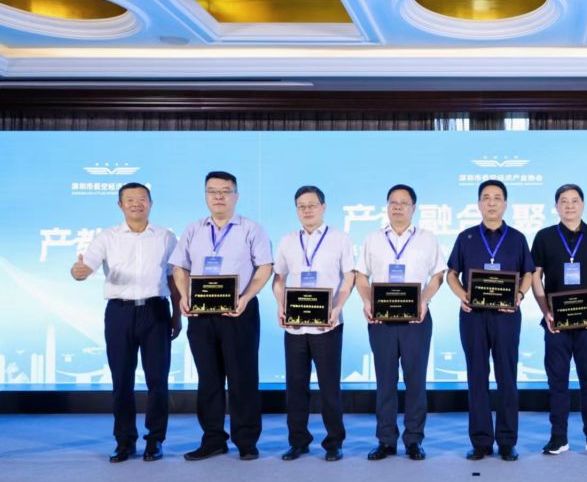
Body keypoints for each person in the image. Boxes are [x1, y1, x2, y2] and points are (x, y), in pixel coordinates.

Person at [70, 182, 180, 462]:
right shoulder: (107, 237)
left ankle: (155, 440)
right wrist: (78, 271)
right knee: (121, 380)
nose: (136, 204)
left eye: (142, 198)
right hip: (120, 313)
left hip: (156, 310)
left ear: (151, 203)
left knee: (158, 380)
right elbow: (84, 267)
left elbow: (173, 277)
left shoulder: (166, 237)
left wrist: (177, 314)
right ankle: (124, 441)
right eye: (129, 199)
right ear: (120, 205)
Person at [170, 171, 273, 461]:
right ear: (205, 195)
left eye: (225, 191)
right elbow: (180, 267)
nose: (218, 196)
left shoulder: (252, 229)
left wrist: (246, 297)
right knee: (208, 379)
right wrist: (184, 295)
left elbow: (265, 267)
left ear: (236, 196)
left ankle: (246, 440)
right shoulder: (193, 229)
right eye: (212, 190)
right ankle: (213, 438)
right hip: (201, 314)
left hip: (239, 311)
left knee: (243, 377)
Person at [355, 184, 447, 461]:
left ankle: (414, 439)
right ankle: (385, 440)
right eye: (393, 202)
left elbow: (438, 275)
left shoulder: (427, 238)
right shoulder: (373, 239)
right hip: (381, 320)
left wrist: (424, 300)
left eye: (403, 202)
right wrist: (367, 301)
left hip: (416, 320)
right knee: (385, 381)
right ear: (387, 206)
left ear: (413, 208)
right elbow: (361, 275)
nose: (397, 207)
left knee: (415, 381)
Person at [447, 179, 534, 462]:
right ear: (479, 203)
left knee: (507, 377)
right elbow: (451, 274)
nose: (492, 202)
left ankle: (507, 441)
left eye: (497, 197)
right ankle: (481, 441)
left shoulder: (517, 238)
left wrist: (519, 295)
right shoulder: (466, 237)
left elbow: (529, 272)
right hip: (473, 316)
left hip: (506, 317)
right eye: (486, 197)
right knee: (476, 376)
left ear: (505, 204)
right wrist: (462, 295)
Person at [530, 183, 587, 456]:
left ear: (583, 204)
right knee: (557, 381)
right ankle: (558, 437)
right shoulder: (544, 236)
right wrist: (545, 310)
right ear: (556, 206)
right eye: (563, 201)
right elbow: (535, 276)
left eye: (574, 200)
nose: (569, 205)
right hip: (556, 322)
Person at [272, 185, 354, 462]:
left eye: (312, 205)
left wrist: (337, 308)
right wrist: (281, 305)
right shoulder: (287, 241)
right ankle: (298, 441)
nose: (307, 210)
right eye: (301, 206)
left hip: (327, 324)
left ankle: (334, 442)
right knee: (295, 386)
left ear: (323, 207)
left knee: (329, 386)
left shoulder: (340, 239)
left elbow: (349, 278)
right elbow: (279, 279)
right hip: (295, 325)